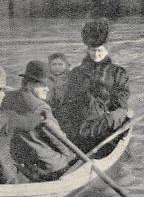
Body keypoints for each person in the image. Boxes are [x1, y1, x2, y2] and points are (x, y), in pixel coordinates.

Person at [55, 19, 130, 153]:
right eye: (92, 50)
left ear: (107, 49)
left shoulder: (118, 73)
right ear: (87, 49)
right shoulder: (76, 72)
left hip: (104, 127)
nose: (96, 55)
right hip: (79, 126)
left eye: (100, 50)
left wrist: (109, 120)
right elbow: (69, 102)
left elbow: (121, 105)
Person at [1, 60, 74, 182]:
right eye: (43, 85)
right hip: (47, 166)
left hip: (21, 162)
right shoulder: (40, 107)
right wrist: (71, 156)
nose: (47, 89)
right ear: (29, 84)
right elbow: (58, 138)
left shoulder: (7, 98)